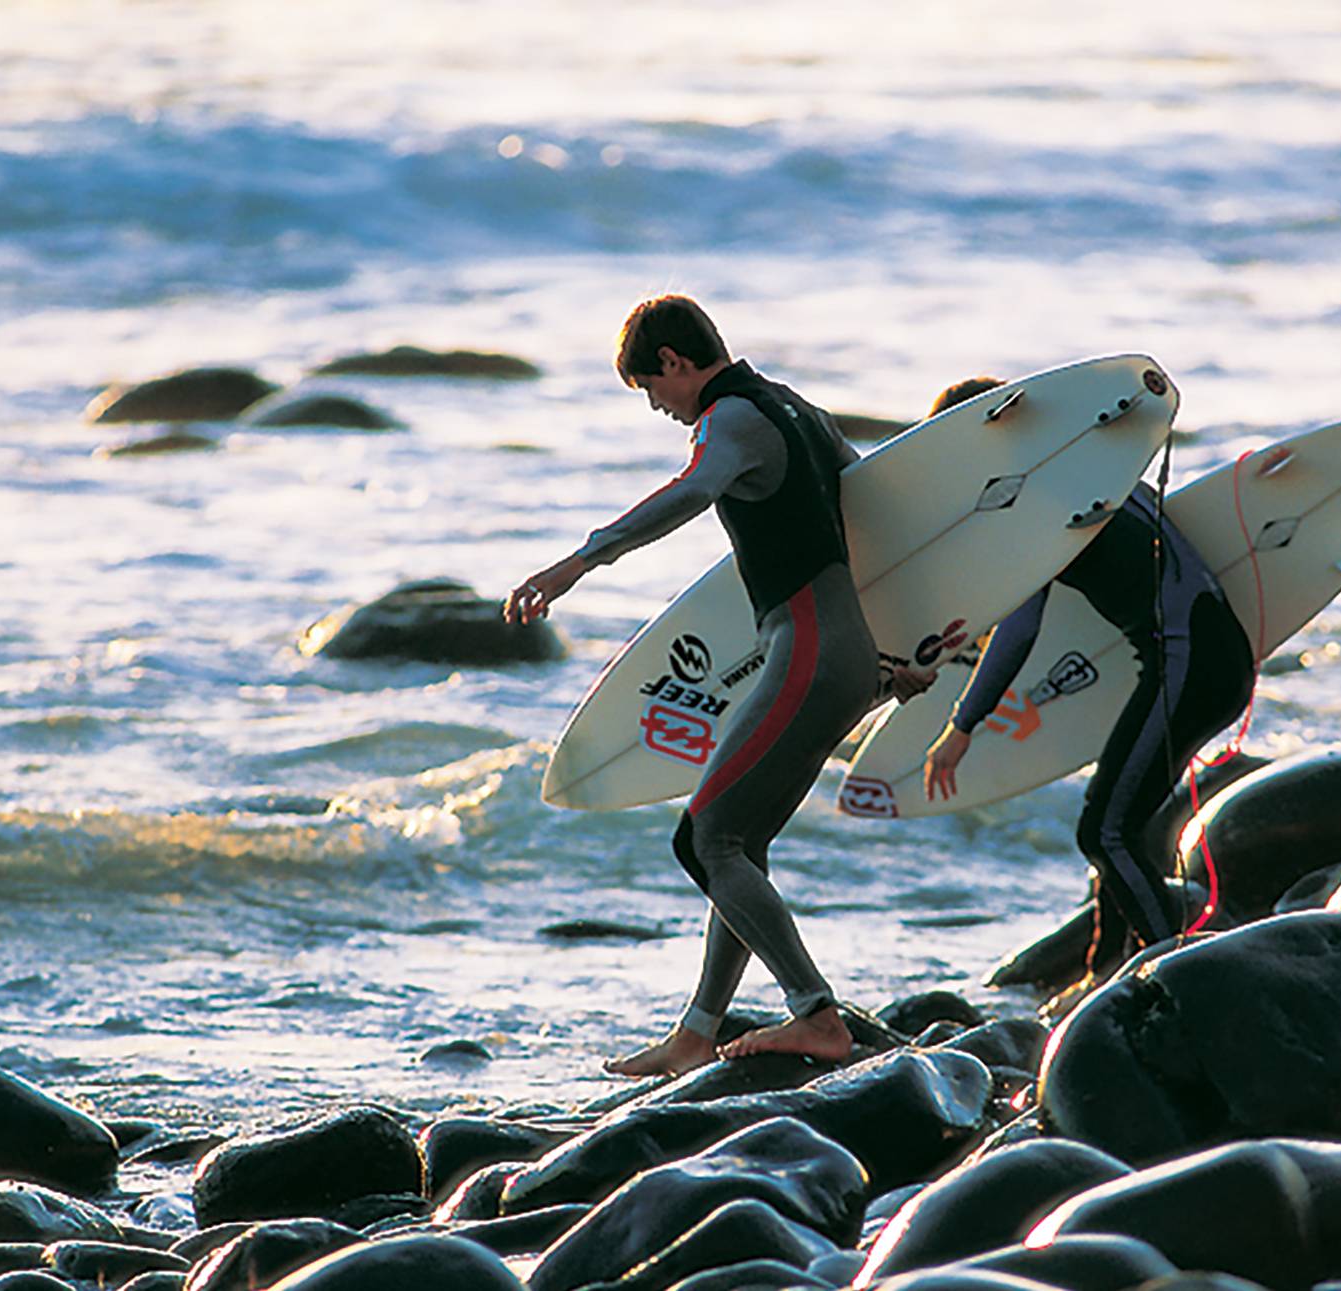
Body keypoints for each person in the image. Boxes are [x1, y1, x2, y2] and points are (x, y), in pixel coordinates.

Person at [508, 295, 927, 1077]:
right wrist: (893, 654)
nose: (659, 407)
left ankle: (816, 1014)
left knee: (706, 838)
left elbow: (690, 491)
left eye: (650, 388)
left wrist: (580, 560)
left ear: (673, 361)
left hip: (807, 652)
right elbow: (867, 513)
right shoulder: (797, 408)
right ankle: (698, 1032)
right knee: (741, 842)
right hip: (838, 654)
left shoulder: (727, 418)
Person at [921, 376, 1258, 965]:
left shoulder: (1036, 512)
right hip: (1208, 660)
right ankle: (1106, 961)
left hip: (1187, 669)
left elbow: (1020, 630)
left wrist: (962, 727)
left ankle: (1174, 972)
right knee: (1121, 817)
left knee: (1104, 831)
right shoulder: (1099, 468)